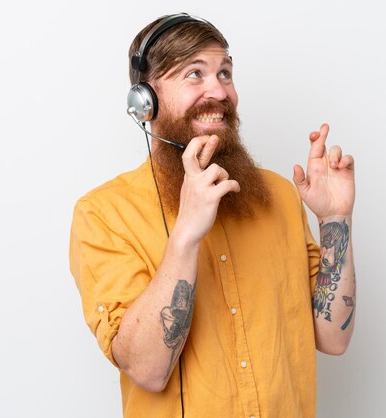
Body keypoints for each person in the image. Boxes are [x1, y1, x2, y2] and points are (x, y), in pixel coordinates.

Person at [69, 12, 356, 418]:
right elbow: (148, 371)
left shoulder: (278, 195)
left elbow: (333, 337)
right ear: (144, 101)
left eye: (225, 73)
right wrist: (186, 234)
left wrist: (335, 221)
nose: (218, 91)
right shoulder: (103, 214)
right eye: (194, 74)